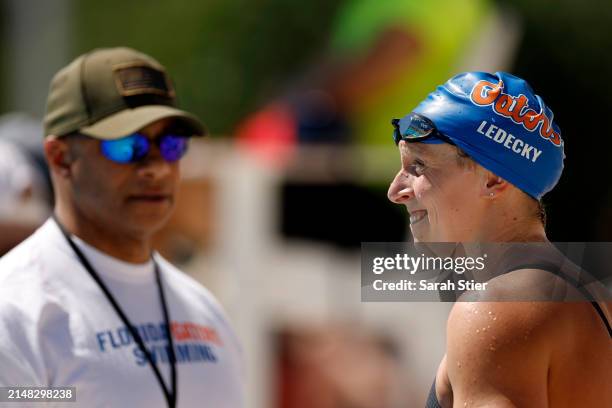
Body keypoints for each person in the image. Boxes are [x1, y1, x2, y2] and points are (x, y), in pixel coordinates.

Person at [0, 47, 243, 408]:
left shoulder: (205, 312)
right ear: (60, 157)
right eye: (129, 146)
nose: (157, 169)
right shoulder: (16, 310)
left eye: (172, 145)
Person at [386, 72, 611, 407]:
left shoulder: (495, 311)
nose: (396, 192)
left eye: (418, 166)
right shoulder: (592, 296)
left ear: (491, 179)